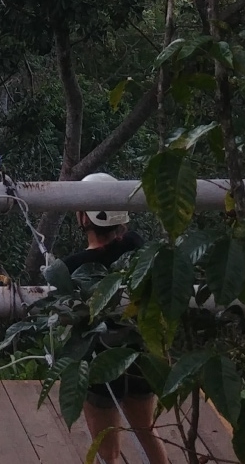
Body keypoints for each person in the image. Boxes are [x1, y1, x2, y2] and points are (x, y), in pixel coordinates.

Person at [63, 173, 168, 464]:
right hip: (139, 352)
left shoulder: (72, 267)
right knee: (147, 431)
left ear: (84, 218)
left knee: (107, 452)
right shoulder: (135, 244)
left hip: (98, 359)